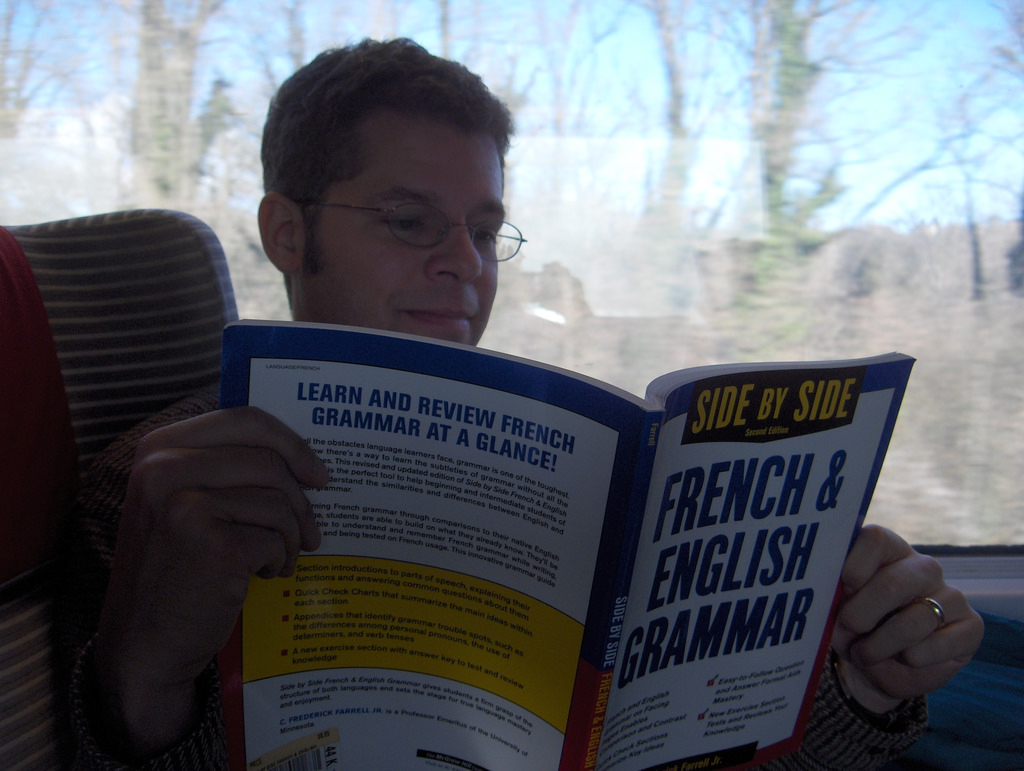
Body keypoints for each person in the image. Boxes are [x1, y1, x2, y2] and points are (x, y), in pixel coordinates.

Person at [55, 38, 984, 770]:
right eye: (409, 221)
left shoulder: (586, 464)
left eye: (488, 230)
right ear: (287, 232)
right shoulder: (171, 489)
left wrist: (861, 686)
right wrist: (143, 672)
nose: (465, 262)